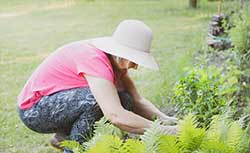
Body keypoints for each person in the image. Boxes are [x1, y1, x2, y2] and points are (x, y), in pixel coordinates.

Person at [18, 19, 178, 152]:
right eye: (134, 60)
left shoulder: (115, 63)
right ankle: (72, 148)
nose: (136, 67)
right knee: (94, 101)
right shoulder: (95, 60)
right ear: (121, 54)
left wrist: (165, 120)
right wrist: (165, 131)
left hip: (60, 104)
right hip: (33, 110)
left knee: (125, 99)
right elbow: (115, 115)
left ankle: (64, 137)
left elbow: (137, 100)